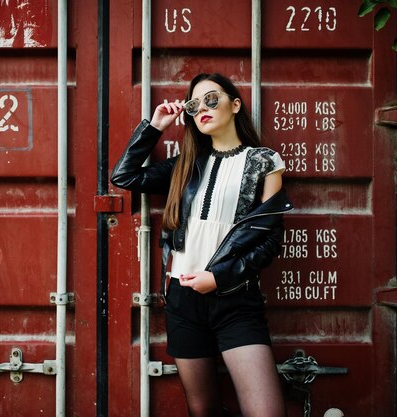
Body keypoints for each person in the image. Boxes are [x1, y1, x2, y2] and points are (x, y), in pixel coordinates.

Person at [111, 73, 292, 417]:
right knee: (203, 409)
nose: (202, 109)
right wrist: (155, 126)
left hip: (235, 298)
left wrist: (219, 278)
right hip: (182, 299)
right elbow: (124, 176)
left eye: (212, 99)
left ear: (235, 105)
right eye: (194, 105)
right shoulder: (186, 164)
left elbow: (270, 240)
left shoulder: (263, 161)